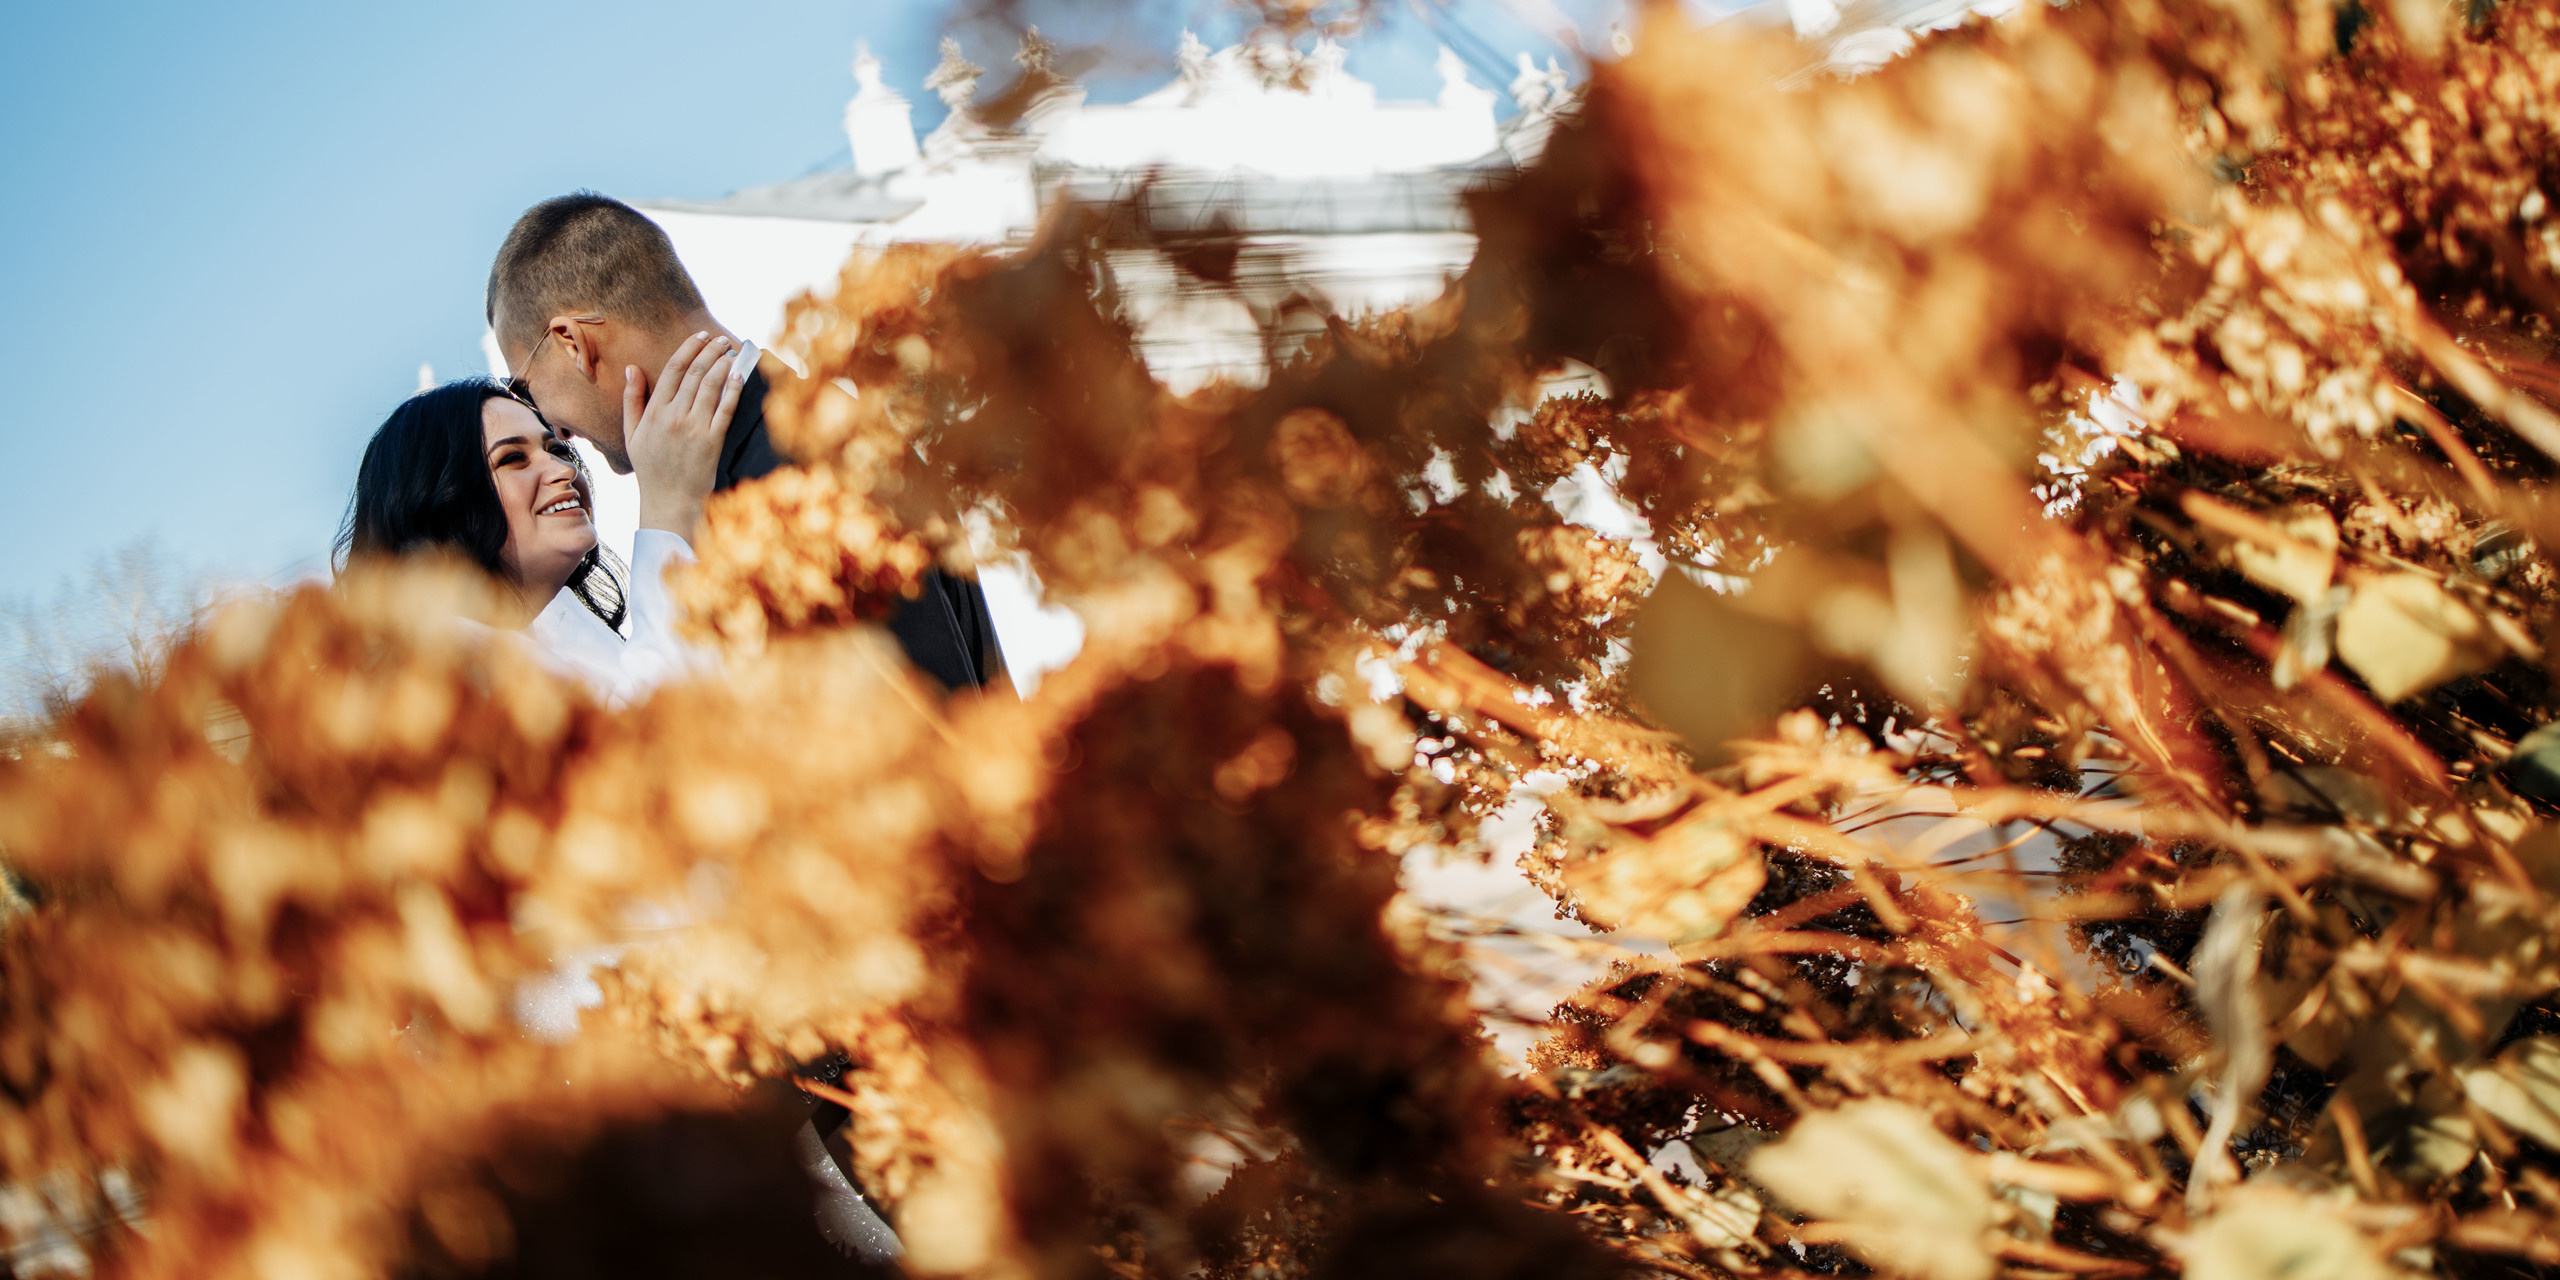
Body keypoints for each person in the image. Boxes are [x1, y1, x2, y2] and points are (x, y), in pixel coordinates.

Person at [483, 191, 1004, 692]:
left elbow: (913, 719)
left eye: (526, 388)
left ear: (572, 342)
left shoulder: (781, 480)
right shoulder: (838, 428)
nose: (556, 430)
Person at [335, 332, 746, 704]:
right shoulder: (443, 673)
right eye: (513, 458)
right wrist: (668, 512)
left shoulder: (566, 639)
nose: (564, 471)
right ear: (441, 504)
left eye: (555, 450)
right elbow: (660, 745)